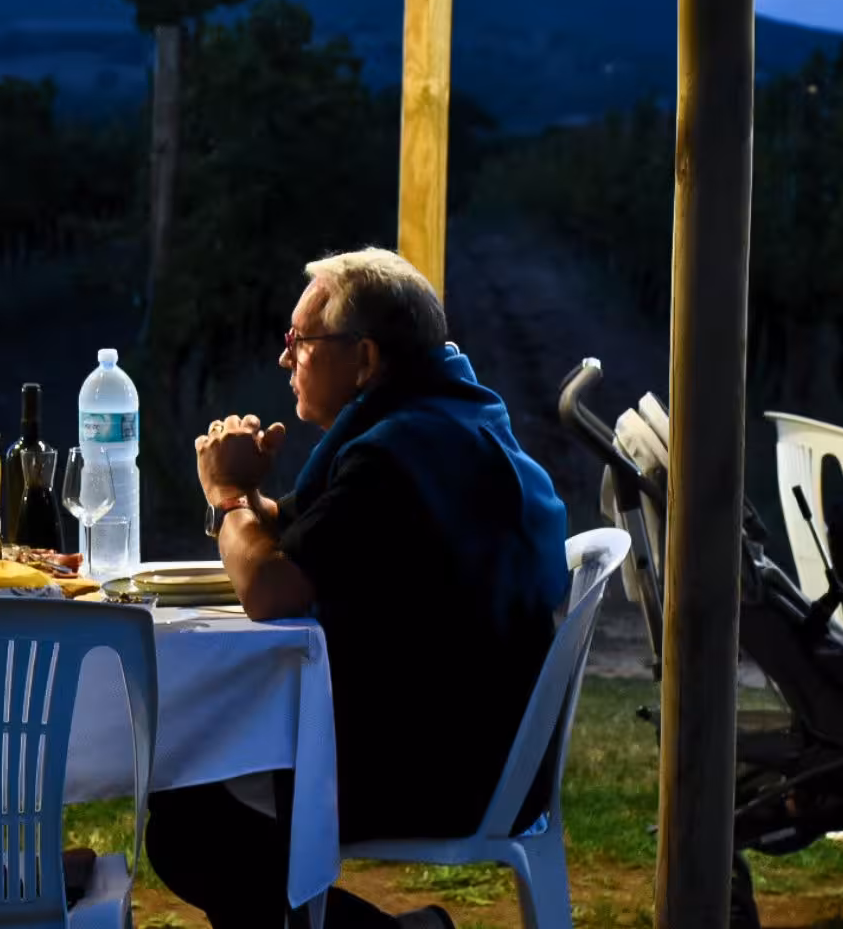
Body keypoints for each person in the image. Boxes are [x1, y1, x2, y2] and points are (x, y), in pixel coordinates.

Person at [147, 248, 569, 929]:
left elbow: (272, 589)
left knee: (189, 821)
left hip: (444, 767)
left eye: (301, 342)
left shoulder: (394, 455)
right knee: (200, 802)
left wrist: (228, 498)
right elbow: (308, 530)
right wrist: (251, 494)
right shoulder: (449, 421)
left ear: (365, 359)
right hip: (485, 741)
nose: (286, 359)